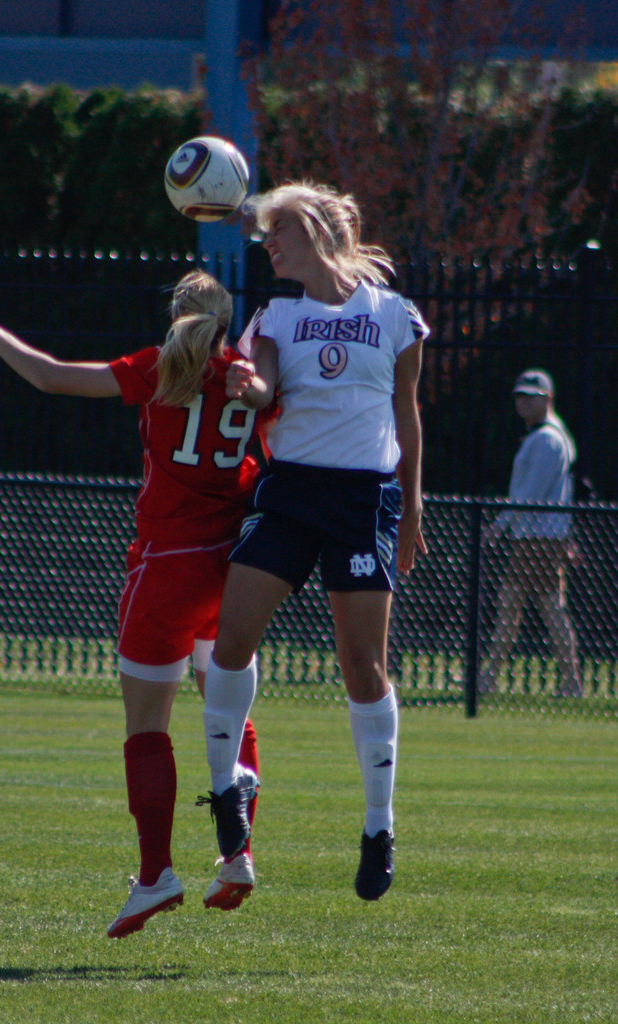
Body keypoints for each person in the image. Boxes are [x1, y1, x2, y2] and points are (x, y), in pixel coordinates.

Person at [0, 270, 271, 939]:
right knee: (227, 705)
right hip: (235, 566)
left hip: (165, 569)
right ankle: (235, 852)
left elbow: (50, 375)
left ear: (176, 317)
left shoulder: (160, 368)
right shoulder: (251, 374)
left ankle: (156, 873)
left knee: (147, 727)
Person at [195, 181, 429, 905]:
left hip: (363, 500)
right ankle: (226, 792)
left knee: (362, 667)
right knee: (230, 640)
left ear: (318, 235)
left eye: (279, 232)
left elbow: (406, 412)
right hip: (290, 491)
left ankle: (377, 825)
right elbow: (263, 388)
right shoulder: (275, 315)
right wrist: (245, 384)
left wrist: (414, 508)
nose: (268, 244)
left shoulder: (393, 315)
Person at [481, 369, 582, 697]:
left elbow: (531, 496)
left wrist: (499, 525)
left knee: (534, 606)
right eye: (520, 395)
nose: (523, 402)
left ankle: (568, 681)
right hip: (536, 536)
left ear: (548, 398)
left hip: (539, 537)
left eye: (531, 396)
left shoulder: (547, 440)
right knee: (522, 605)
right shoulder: (544, 437)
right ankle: (492, 675)